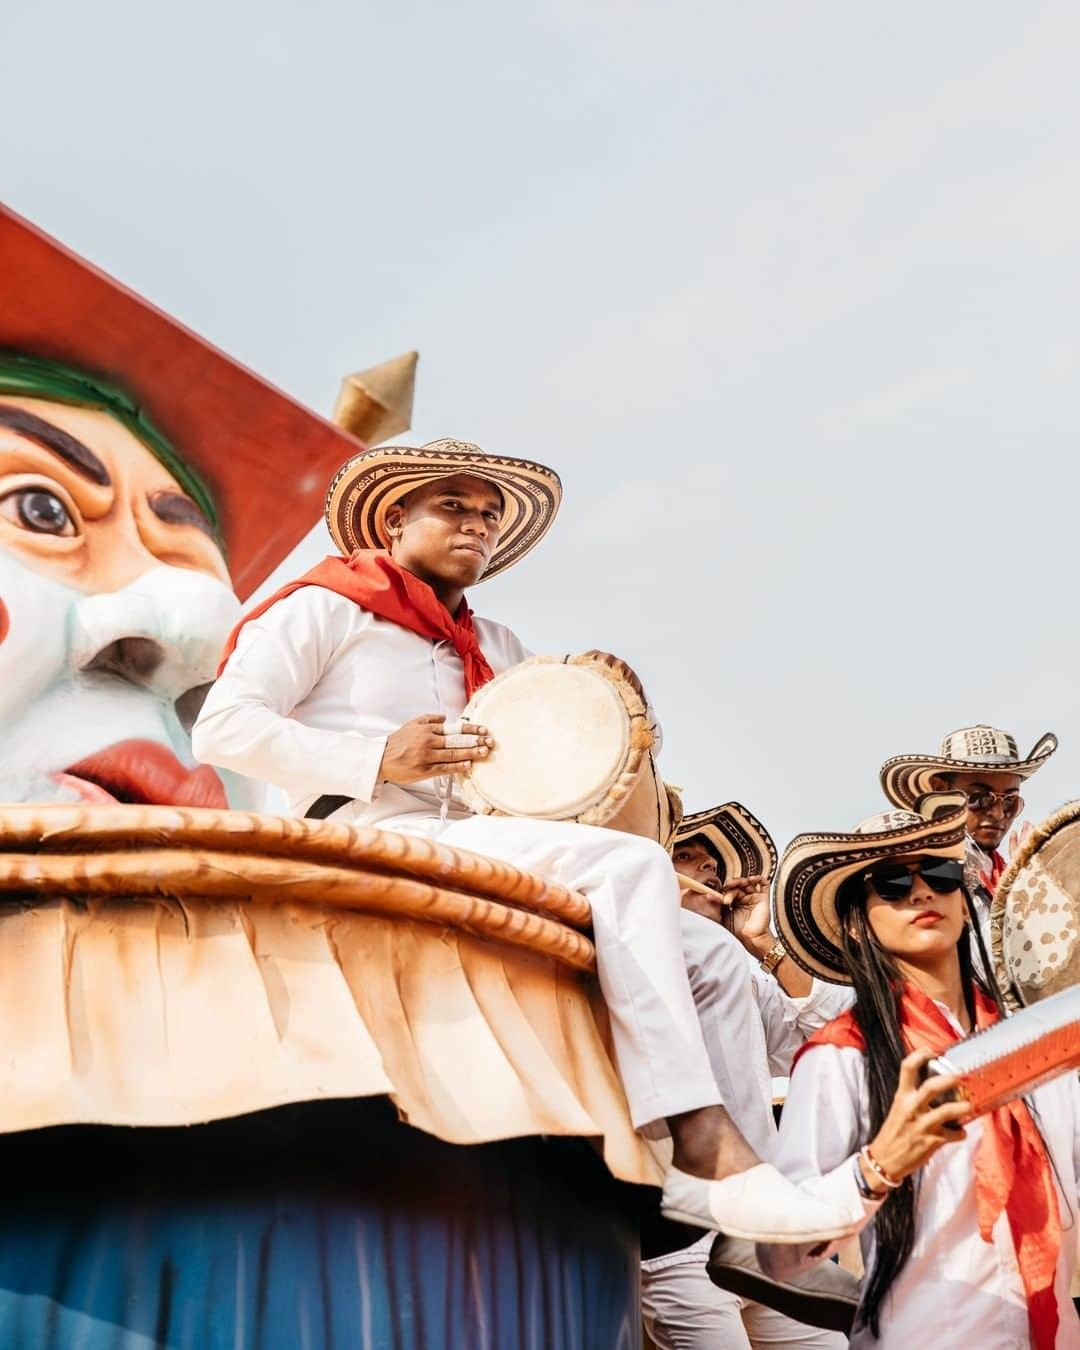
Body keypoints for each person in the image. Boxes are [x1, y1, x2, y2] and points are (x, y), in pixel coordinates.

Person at [192, 437, 860, 1244]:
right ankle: (693, 1132)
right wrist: (373, 758)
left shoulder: (500, 648)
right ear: (395, 520)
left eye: (489, 515)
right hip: (365, 834)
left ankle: (746, 1203)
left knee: (712, 955)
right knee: (631, 864)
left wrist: (614, 710)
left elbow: (554, 772)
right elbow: (222, 728)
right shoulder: (327, 607)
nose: (478, 525)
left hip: (482, 842)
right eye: (456, 507)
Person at [766, 795, 1080, 1348]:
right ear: (858, 925)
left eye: (940, 871)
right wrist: (879, 1167)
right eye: (890, 882)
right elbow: (777, 1254)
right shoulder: (841, 1056)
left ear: (966, 901)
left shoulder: (1037, 1043)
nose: (921, 890)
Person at [642, 803, 855, 1348]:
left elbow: (817, 1040)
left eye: (714, 864)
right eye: (685, 856)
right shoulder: (630, 943)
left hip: (763, 1232)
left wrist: (763, 945)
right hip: (678, 1233)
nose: (708, 872)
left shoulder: (732, 961)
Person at [879, 725, 1057, 931]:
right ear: (941, 789)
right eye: (980, 798)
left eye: (1010, 802)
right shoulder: (924, 872)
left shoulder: (1007, 871)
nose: (998, 813)